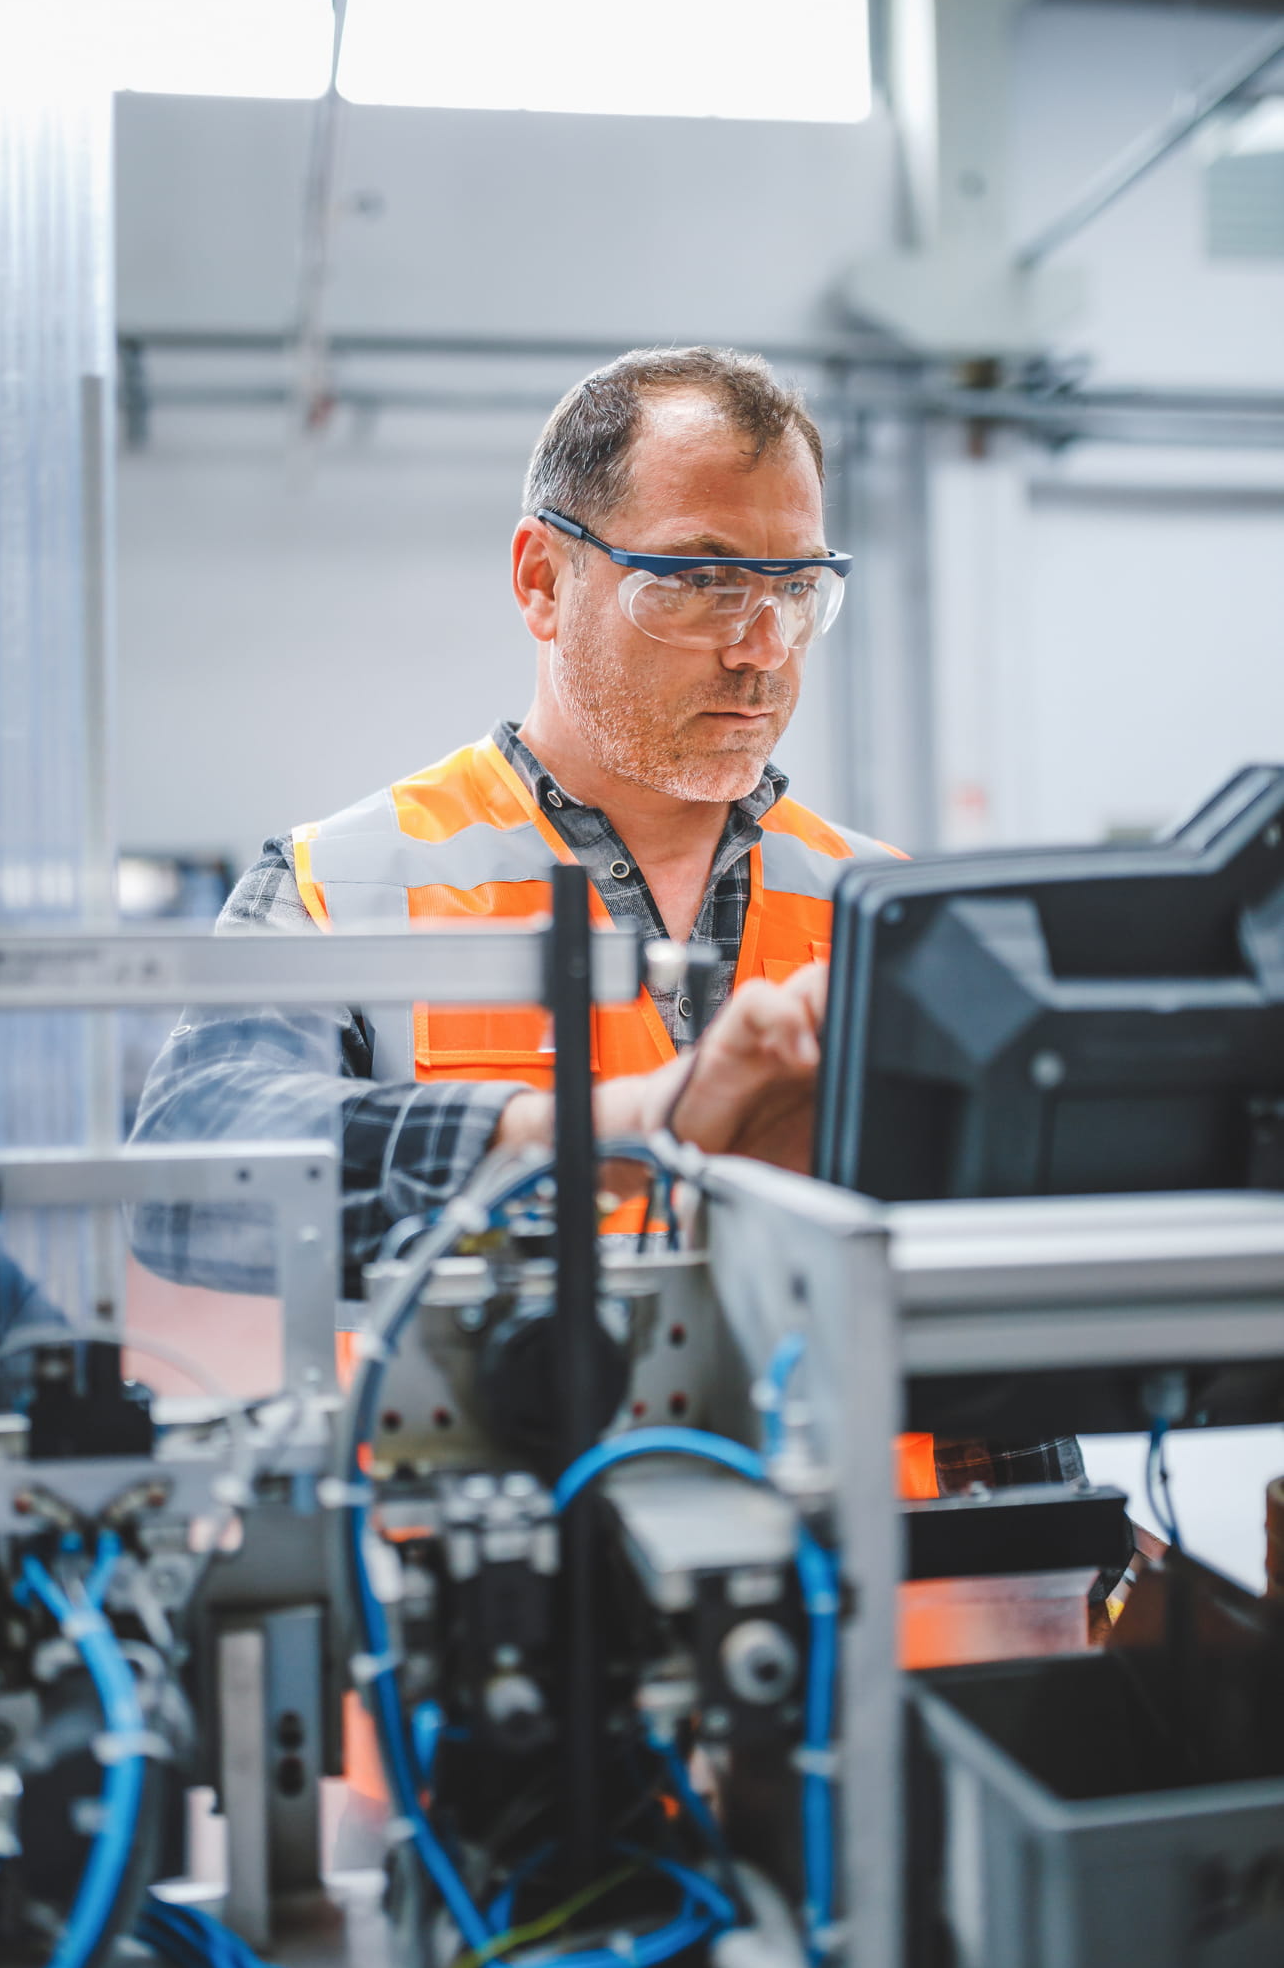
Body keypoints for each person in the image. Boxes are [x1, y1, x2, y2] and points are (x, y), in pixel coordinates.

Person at [132, 346, 1082, 1495]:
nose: (761, 647)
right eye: (697, 580)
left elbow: (1001, 1322)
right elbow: (190, 1174)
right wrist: (616, 1131)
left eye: (793, 588)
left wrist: (1069, 1565)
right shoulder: (348, 881)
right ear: (542, 578)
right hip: (493, 1601)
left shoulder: (891, 909)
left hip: (871, 1605)